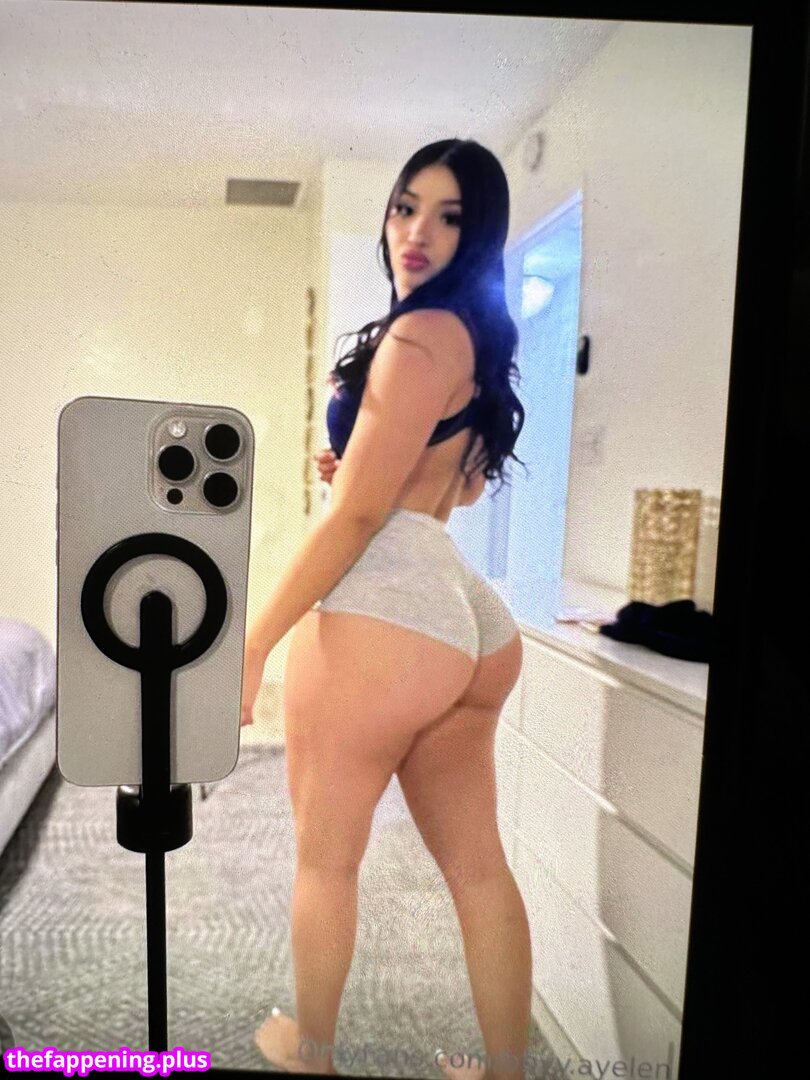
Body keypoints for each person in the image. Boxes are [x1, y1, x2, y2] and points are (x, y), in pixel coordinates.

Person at [241, 138, 531, 1080]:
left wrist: (254, 641)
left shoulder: (417, 337)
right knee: (479, 867)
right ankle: (506, 1072)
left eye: (449, 217)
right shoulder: (474, 339)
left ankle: (313, 1056)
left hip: (391, 603)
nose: (416, 231)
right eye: (406, 207)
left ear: (477, 233)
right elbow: (462, 488)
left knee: (326, 860)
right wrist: (359, 461)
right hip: (465, 613)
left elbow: (361, 516)